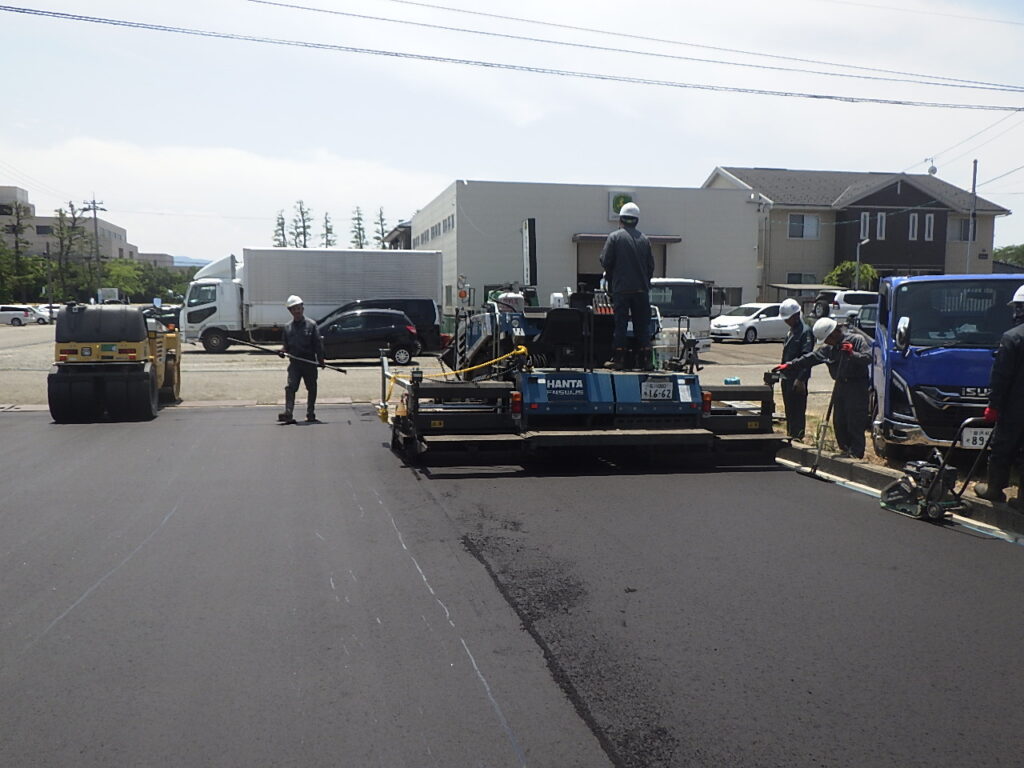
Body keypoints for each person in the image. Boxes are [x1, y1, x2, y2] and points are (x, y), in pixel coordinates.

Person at [772, 316, 871, 458]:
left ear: (834, 333)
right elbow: (810, 358)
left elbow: (868, 358)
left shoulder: (856, 340)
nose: (826, 343)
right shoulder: (829, 349)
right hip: (840, 385)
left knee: (854, 421)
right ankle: (845, 451)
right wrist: (789, 365)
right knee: (839, 422)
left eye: (827, 339)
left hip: (856, 386)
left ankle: (856, 455)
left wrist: (852, 354)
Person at [974, 284, 1024, 505]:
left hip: (1014, 408)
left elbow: (1001, 376)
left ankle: (994, 489)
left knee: (1001, 448)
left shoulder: (1012, 337)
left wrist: (993, 405)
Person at [599, 201, 655, 371]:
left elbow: (605, 261)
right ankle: (646, 361)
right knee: (642, 326)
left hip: (622, 289)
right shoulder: (645, 240)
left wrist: (613, 275)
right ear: (636, 220)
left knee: (621, 325)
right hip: (641, 290)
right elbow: (650, 267)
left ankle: (619, 360)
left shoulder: (614, 237)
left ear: (621, 219)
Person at [278, 294, 325, 424]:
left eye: (298, 308)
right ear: (290, 311)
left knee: (312, 388)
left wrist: (321, 360)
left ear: (302, 309)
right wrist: (282, 351)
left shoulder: (311, 325)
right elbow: (286, 346)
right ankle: (288, 413)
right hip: (294, 364)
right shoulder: (287, 327)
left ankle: (310, 413)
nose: (297, 311)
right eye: (294, 309)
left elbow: (318, 345)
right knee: (290, 387)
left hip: (309, 363)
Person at [777, 298, 815, 440]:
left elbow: (807, 358)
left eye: (788, 318)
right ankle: (791, 435)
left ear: (796, 315)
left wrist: (801, 379)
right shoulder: (791, 331)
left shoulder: (805, 332)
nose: (786, 321)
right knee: (789, 410)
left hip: (797, 379)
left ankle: (797, 437)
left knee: (797, 410)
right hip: (787, 377)